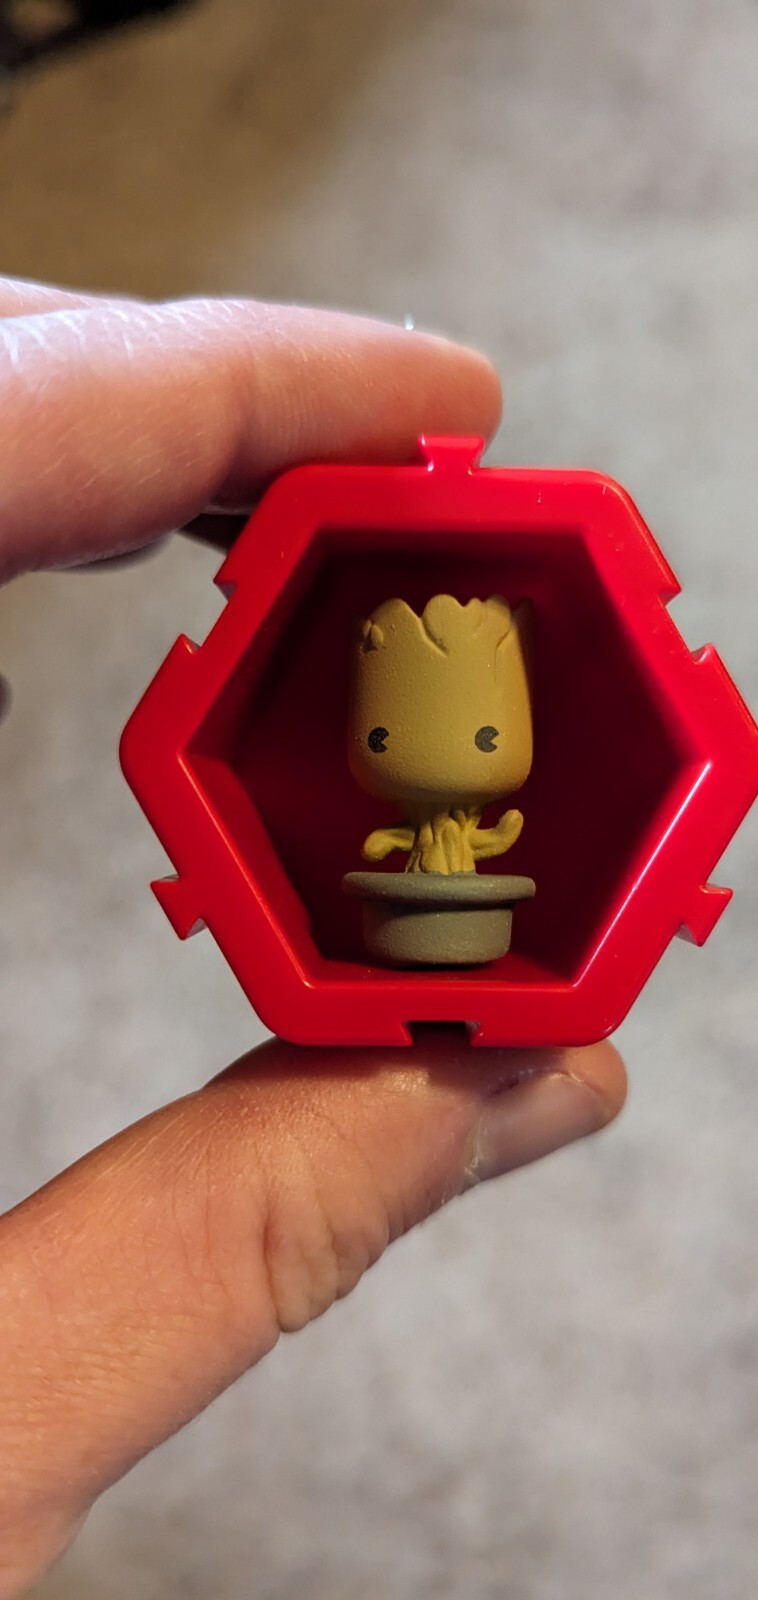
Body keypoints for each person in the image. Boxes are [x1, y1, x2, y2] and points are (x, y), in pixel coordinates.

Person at [0, 276, 627, 1592]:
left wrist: (464, 852)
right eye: (390, 733)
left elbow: (491, 833)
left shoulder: (508, 784)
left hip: (463, 906)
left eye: (486, 733)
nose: (448, 755)